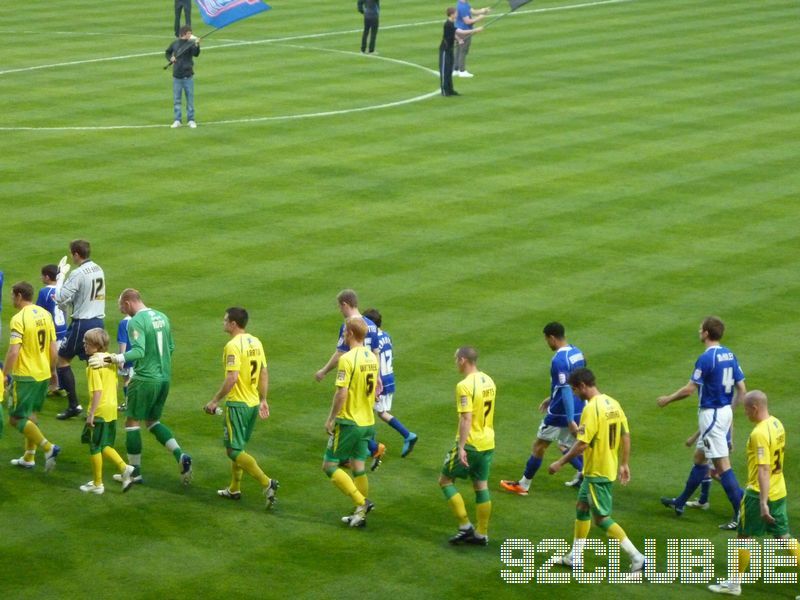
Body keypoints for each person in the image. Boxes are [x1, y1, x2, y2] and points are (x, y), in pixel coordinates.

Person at [89, 288, 192, 485]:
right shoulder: (162, 316)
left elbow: (138, 351)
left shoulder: (135, 321)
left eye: (121, 307)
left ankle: (135, 472)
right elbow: (171, 347)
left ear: (128, 303)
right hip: (164, 379)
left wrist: (113, 358)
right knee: (153, 422)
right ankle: (180, 455)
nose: (122, 311)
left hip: (145, 379)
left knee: (132, 423)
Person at [549, 367, 645, 577]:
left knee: (601, 518)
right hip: (605, 466)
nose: (575, 394)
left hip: (598, 471)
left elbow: (582, 444)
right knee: (582, 507)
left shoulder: (591, 408)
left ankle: (637, 557)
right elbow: (625, 435)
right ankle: (575, 555)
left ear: (583, 386)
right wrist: (624, 463)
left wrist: (560, 462)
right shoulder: (613, 404)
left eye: (575, 390)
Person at [658, 316, 746, 530]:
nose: (699, 331)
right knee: (699, 459)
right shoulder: (729, 355)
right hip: (722, 413)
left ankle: (743, 514)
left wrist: (667, 399)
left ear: (707, 333)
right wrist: (729, 414)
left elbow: (690, 389)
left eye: (701, 329)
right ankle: (680, 502)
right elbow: (742, 389)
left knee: (722, 467)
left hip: (712, 414)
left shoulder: (706, 358)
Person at [709, 390, 799, 596]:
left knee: (743, 537)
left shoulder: (759, 433)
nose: (746, 414)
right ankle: (733, 583)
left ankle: (734, 584)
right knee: (784, 536)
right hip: (780, 490)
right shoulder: (777, 424)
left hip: (759, 493)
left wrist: (762, 502)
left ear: (755, 408)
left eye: (747, 410)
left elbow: (764, 468)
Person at [501, 322, 586, 496]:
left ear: (552, 338)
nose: (547, 343)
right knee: (573, 445)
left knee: (539, 445)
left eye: (547, 340)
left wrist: (569, 419)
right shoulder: (577, 352)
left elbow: (565, 389)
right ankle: (587, 475)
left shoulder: (558, 360)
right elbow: (577, 382)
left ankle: (524, 485)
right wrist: (552, 397)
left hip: (561, 413)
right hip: (581, 407)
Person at [205, 307, 279, 508]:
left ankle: (266, 482)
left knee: (233, 450)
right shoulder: (256, 341)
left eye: (225, 320)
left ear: (233, 324)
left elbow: (232, 377)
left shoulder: (233, 346)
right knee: (239, 447)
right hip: (253, 403)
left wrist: (214, 401)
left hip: (238, 403)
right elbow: (263, 373)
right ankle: (234, 488)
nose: (223, 323)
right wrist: (263, 399)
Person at [315, 290, 386, 469]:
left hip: (353, 373)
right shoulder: (371, 325)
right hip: (369, 374)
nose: (340, 310)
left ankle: (351, 453)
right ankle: (359, 453)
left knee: (348, 413)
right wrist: (377, 377)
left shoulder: (348, 326)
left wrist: (323, 371)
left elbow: (340, 353)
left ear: (345, 304)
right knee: (363, 417)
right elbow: (377, 353)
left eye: (340, 306)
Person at [322, 317, 378, 527]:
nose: (344, 334)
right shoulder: (372, 358)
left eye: (345, 331)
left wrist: (331, 418)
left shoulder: (347, 359)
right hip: (368, 421)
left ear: (351, 334)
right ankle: (359, 514)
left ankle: (362, 502)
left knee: (329, 465)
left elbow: (341, 392)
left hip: (350, 422)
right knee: (358, 466)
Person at [439, 346, 496, 546]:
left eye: (456, 359)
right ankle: (482, 533)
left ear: (463, 360)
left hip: (471, 443)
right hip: (488, 441)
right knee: (481, 486)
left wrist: (461, 447)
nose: (455, 363)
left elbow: (466, 417)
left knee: (445, 481)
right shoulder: (489, 380)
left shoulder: (464, 385)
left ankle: (465, 526)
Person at [4, 282, 61, 471]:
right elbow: (53, 347)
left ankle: (48, 447)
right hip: (43, 373)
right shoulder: (45, 314)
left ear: (19, 296)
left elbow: (13, 352)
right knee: (31, 415)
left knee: (15, 418)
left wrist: (5, 374)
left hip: (25, 375)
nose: (12, 298)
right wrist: (53, 372)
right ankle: (29, 457)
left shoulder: (19, 319)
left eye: (13, 295)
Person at [53, 239, 106, 420]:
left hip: (82, 324)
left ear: (76, 254)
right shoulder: (99, 269)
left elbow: (60, 296)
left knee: (62, 360)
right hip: (98, 321)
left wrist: (60, 277)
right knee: (94, 364)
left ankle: (74, 405)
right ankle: (98, 409)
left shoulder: (78, 273)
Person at [81, 328, 135, 494]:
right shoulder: (110, 360)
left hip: (100, 410)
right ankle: (124, 468)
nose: (84, 345)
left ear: (96, 346)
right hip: (112, 408)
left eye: (87, 343)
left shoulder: (93, 365)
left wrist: (91, 414)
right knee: (105, 445)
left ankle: (98, 484)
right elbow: (116, 384)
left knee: (95, 446)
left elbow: (97, 391)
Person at [362, 308, 418, 459]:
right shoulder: (387, 336)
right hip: (389, 378)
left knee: (367, 412)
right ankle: (407, 435)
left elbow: (373, 360)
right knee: (381, 412)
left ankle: (371, 446)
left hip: (378, 380)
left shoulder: (371, 340)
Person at [36, 264, 68, 397]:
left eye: (42, 276)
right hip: (64, 330)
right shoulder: (63, 290)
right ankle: (60, 386)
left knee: (49, 360)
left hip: (51, 332)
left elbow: (38, 311)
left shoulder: (45, 292)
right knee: (60, 360)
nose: (41, 278)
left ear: (47, 277)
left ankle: (53, 385)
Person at [166, 25, 201, 129]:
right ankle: (177, 120)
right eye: (189, 33)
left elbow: (196, 54)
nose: (191, 35)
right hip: (177, 76)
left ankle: (191, 120)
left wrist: (197, 45)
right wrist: (170, 58)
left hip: (188, 76)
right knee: (177, 100)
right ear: (183, 34)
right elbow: (167, 52)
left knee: (190, 99)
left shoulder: (191, 44)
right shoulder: (175, 44)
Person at [454, 0, 490, 78]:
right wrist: (479, 18)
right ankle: (462, 71)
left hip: (458, 30)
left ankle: (455, 69)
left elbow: (472, 11)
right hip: (464, 31)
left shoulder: (462, 3)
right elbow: (467, 21)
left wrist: (483, 10)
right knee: (463, 51)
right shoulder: (462, 7)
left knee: (458, 50)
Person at [116, 315, 133, 411]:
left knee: (127, 381)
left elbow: (123, 341)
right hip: (139, 355)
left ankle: (128, 404)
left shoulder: (124, 323)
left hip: (128, 356)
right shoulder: (141, 319)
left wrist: (121, 359)